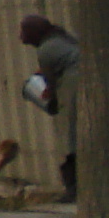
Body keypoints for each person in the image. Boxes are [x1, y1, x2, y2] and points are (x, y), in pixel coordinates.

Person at [20, 11, 80, 197]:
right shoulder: (60, 41)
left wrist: (49, 97)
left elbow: (50, 85)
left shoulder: (46, 49)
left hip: (72, 88)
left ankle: (73, 188)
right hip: (76, 83)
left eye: (23, 31)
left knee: (70, 137)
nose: (20, 36)